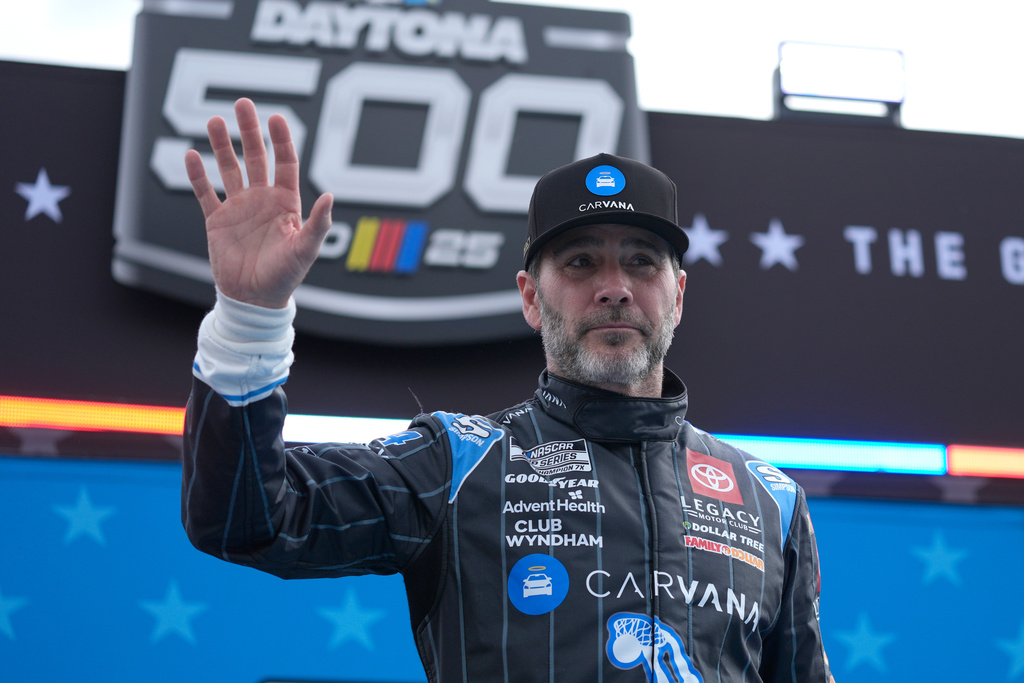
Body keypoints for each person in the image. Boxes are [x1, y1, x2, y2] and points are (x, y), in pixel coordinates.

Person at [182, 98, 834, 683]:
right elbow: (246, 519)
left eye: (641, 259)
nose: (614, 285)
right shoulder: (457, 463)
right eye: (581, 262)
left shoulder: (770, 501)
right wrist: (250, 317)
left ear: (679, 294)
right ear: (530, 297)